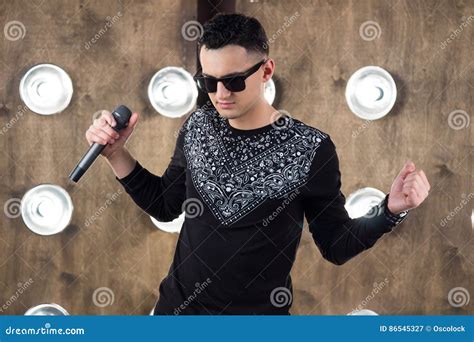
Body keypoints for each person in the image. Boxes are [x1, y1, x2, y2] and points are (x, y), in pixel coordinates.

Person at [85, 13, 430, 315]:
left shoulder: (311, 148)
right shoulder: (197, 126)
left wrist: (389, 210)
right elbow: (164, 205)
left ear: (266, 70)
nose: (221, 94)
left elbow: (336, 244)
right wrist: (116, 154)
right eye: (209, 81)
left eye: (234, 81)